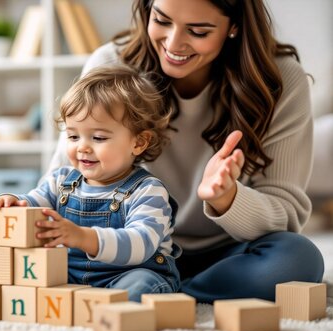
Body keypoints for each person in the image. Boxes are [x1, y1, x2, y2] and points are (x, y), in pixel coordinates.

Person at [47, 0, 324, 303]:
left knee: (297, 258)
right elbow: (65, 178)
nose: (173, 42)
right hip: (125, 250)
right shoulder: (112, 64)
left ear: (233, 26)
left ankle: (167, 290)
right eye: (162, 20)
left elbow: (287, 215)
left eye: (198, 31)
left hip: (225, 255)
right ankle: (146, 287)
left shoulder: (281, 79)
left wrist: (227, 199)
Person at [0, 65, 180, 302]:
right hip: (70, 275)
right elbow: (32, 207)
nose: (82, 147)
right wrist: (10, 206)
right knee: (9, 275)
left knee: (142, 285)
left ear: (139, 142)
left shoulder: (148, 190)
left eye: (98, 137)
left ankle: (109, 312)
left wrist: (82, 237)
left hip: (128, 274)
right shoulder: (60, 180)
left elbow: (141, 245)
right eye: (73, 136)